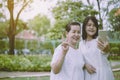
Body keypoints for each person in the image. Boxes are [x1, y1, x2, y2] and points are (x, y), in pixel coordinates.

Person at [79, 16, 114, 80]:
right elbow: (80, 59)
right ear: (84, 27)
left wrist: (106, 49)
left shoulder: (99, 39)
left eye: (94, 25)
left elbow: (106, 50)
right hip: (88, 75)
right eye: (89, 25)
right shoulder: (81, 43)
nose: (92, 27)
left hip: (102, 74)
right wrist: (85, 65)